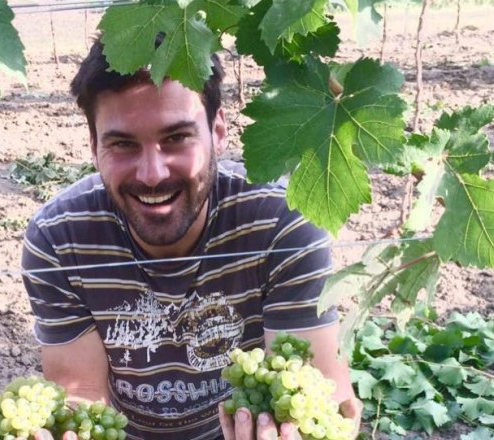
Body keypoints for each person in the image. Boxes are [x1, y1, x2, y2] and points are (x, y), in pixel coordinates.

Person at [21, 37, 362, 440]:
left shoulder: (282, 222)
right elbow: (83, 393)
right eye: (123, 144)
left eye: (176, 138)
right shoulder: (59, 239)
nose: (152, 174)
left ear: (218, 132)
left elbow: (321, 387)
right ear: (93, 147)